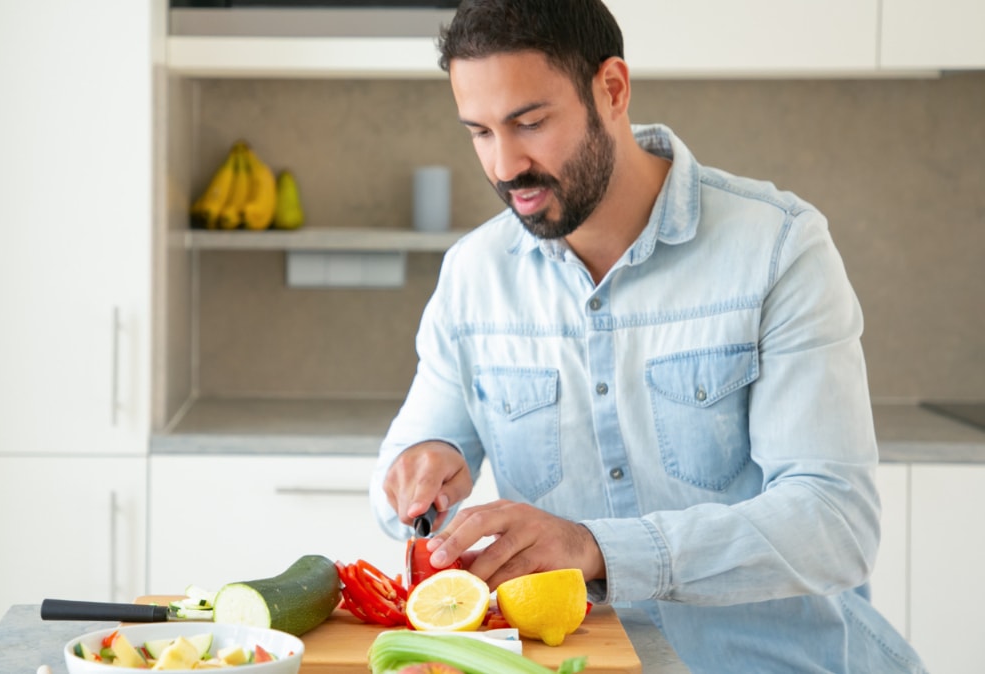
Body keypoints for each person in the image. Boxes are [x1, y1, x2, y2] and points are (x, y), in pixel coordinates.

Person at [368, 1, 928, 672]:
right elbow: (402, 475)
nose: (505, 164)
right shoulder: (474, 276)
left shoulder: (776, 248)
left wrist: (595, 547)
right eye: (480, 132)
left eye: (530, 123)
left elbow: (834, 525)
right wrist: (418, 472)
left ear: (612, 90)